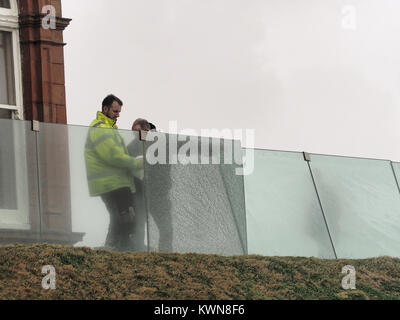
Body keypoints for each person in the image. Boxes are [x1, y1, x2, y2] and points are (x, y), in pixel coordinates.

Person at [84, 94, 143, 251]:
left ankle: (115, 246)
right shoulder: (101, 129)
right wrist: (136, 163)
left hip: (113, 182)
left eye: (119, 112)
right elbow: (114, 156)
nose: (118, 115)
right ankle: (118, 246)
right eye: (115, 111)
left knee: (121, 216)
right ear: (105, 109)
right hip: (111, 182)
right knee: (125, 215)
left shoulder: (107, 128)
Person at [128, 119, 173, 253]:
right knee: (139, 227)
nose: (135, 136)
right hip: (141, 194)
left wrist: (213, 149)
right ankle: (138, 254)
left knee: (166, 228)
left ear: (146, 130)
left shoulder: (162, 143)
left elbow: (184, 145)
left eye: (137, 132)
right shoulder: (132, 147)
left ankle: (166, 254)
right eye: (133, 133)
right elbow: (125, 169)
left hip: (159, 194)